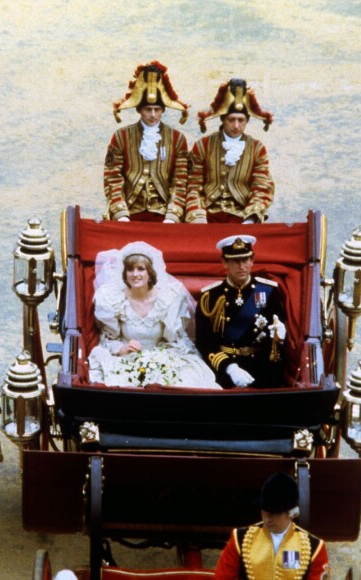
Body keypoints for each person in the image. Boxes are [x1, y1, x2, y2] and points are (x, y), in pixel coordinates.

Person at [88, 241, 220, 389]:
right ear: (124, 273)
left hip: (160, 357)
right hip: (127, 359)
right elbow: (108, 340)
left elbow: (175, 341)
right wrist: (122, 348)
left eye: (141, 269)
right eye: (130, 270)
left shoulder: (168, 298)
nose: (135, 274)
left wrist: (159, 359)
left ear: (150, 273)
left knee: (185, 379)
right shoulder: (114, 299)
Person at [104, 61, 190, 223]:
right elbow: (112, 177)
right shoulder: (121, 136)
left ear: (163, 110)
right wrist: (121, 213)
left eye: (157, 110)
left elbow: (181, 180)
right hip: (129, 212)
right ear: (138, 109)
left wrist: (172, 216)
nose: (152, 115)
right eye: (147, 109)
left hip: (164, 213)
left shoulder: (178, 139)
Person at [195, 235, 286, 389]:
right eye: (235, 261)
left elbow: (275, 331)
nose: (241, 266)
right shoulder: (210, 297)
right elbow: (205, 344)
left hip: (262, 366)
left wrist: (280, 336)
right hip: (226, 370)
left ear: (252, 260)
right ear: (224, 262)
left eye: (245, 260)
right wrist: (230, 368)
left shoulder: (269, 291)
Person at [185, 78, 275, 224]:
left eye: (241, 120)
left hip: (242, 216)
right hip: (207, 215)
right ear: (222, 119)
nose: (236, 126)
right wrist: (198, 215)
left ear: (247, 121)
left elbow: (262, 186)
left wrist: (251, 217)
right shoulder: (203, 145)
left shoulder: (257, 149)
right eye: (231, 119)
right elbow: (193, 186)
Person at [214, 472, 331, 579]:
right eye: (264, 512)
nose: (267, 519)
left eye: (274, 514)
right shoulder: (239, 539)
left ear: (291, 513)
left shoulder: (315, 547)